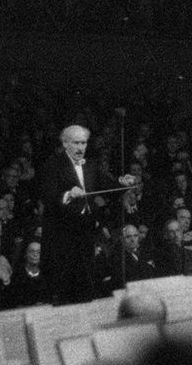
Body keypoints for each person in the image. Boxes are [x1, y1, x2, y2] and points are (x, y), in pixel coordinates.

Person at [39, 124, 136, 303]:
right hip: (63, 235)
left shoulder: (91, 165)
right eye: (76, 143)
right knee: (65, 286)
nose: (80, 148)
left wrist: (124, 184)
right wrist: (68, 195)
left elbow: (109, 187)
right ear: (65, 143)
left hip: (86, 232)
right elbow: (48, 197)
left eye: (83, 143)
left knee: (86, 283)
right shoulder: (53, 165)